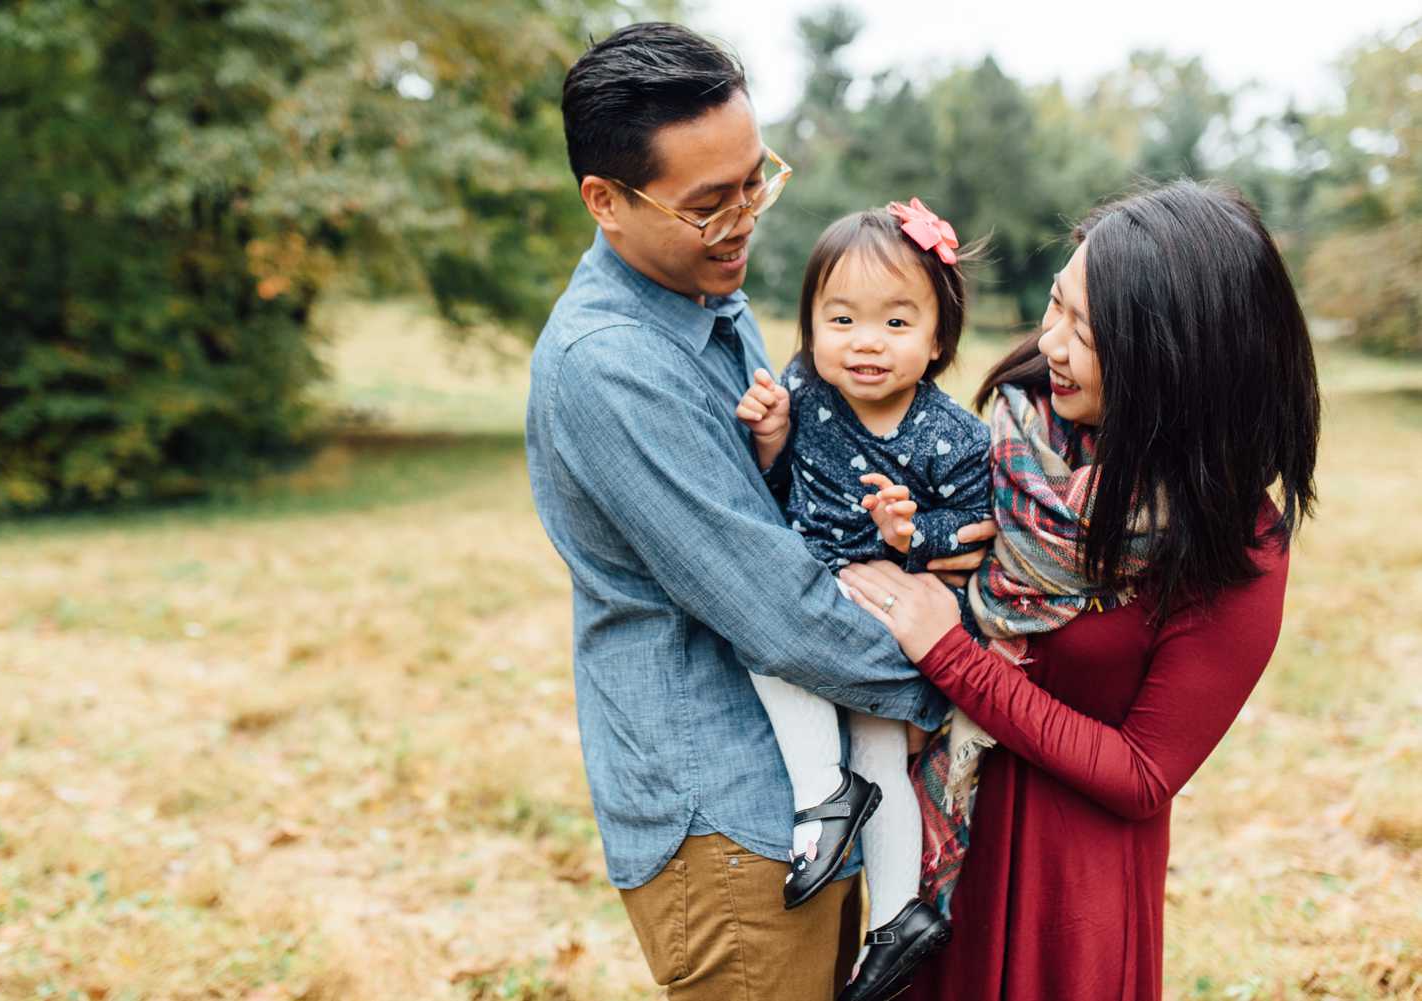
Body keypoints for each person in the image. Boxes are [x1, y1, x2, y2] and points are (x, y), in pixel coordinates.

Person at [524, 22, 996, 1001]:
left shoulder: (707, 296)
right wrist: (963, 684)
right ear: (604, 202)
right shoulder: (612, 368)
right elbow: (772, 599)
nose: (743, 221)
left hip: (813, 784)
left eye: (754, 181)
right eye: (709, 205)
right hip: (730, 824)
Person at [837, 180, 1321, 1001]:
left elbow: (1142, 773)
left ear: (1174, 363)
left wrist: (953, 652)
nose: (1049, 344)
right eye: (1055, 305)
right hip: (942, 844)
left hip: (1070, 896)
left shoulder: (1234, 547)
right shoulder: (1011, 438)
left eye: (1084, 332)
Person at [733, 200, 990, 1000]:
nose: (866, 341)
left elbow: (975, 526)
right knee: (852, 727)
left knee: (814, 688)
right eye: (841, 317)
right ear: (810, 324)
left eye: (895, 321)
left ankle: (858, 855)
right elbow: (783, 491)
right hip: (820, 589)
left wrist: (913, 532)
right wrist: (772, 438)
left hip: (884, 614)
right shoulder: (808, 386)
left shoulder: (952, 436)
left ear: (937, 338)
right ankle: (880, 889)